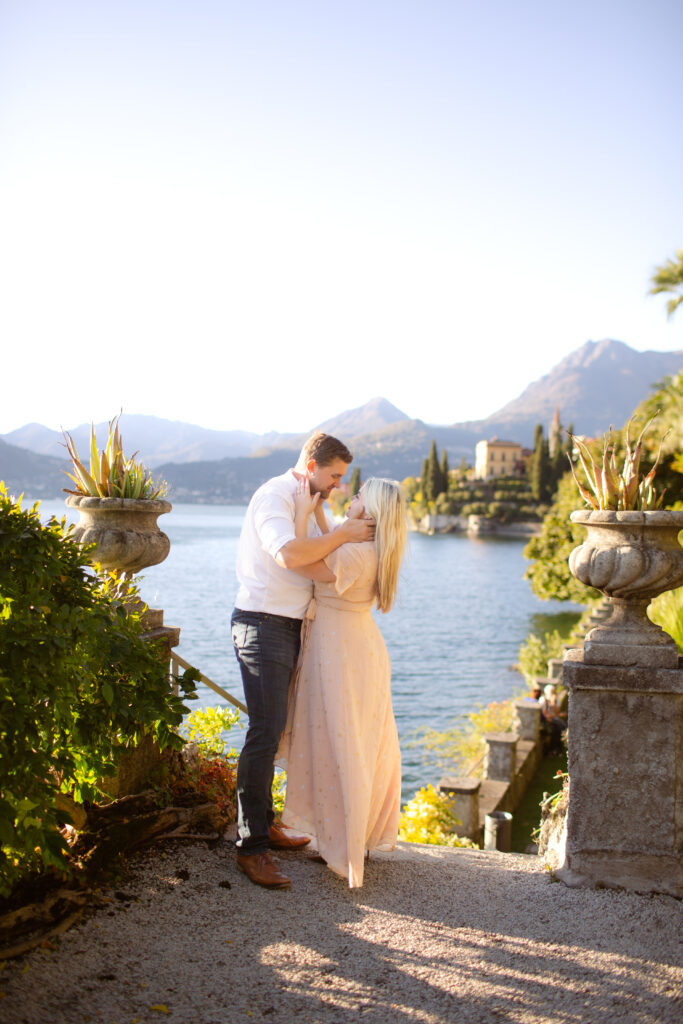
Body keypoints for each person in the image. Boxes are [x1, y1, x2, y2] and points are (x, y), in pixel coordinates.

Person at [231, 432, 375, 889]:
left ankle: (266, 823)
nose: (336, 486)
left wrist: (333, 530)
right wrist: (344, 534)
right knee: (265, 730)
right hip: (262, 624)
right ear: (312, 464)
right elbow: (289, 554)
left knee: (281, 730)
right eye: (333, 476)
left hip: (294, 627)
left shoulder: (312, 504)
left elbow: (322, 557)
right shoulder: (273, 496)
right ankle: (250, 846)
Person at [277, 476, 407, 888]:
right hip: (355, 646)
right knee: (358, 741)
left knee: (337, 742)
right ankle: (351, 836)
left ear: (368, 514)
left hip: (339, 651)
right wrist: (318, 511)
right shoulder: (368, 548)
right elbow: (333, 538)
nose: (349, 498)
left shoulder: (353, 552)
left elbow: (301, 560)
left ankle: (342, 844)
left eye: (357, 497)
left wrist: (300, 516)